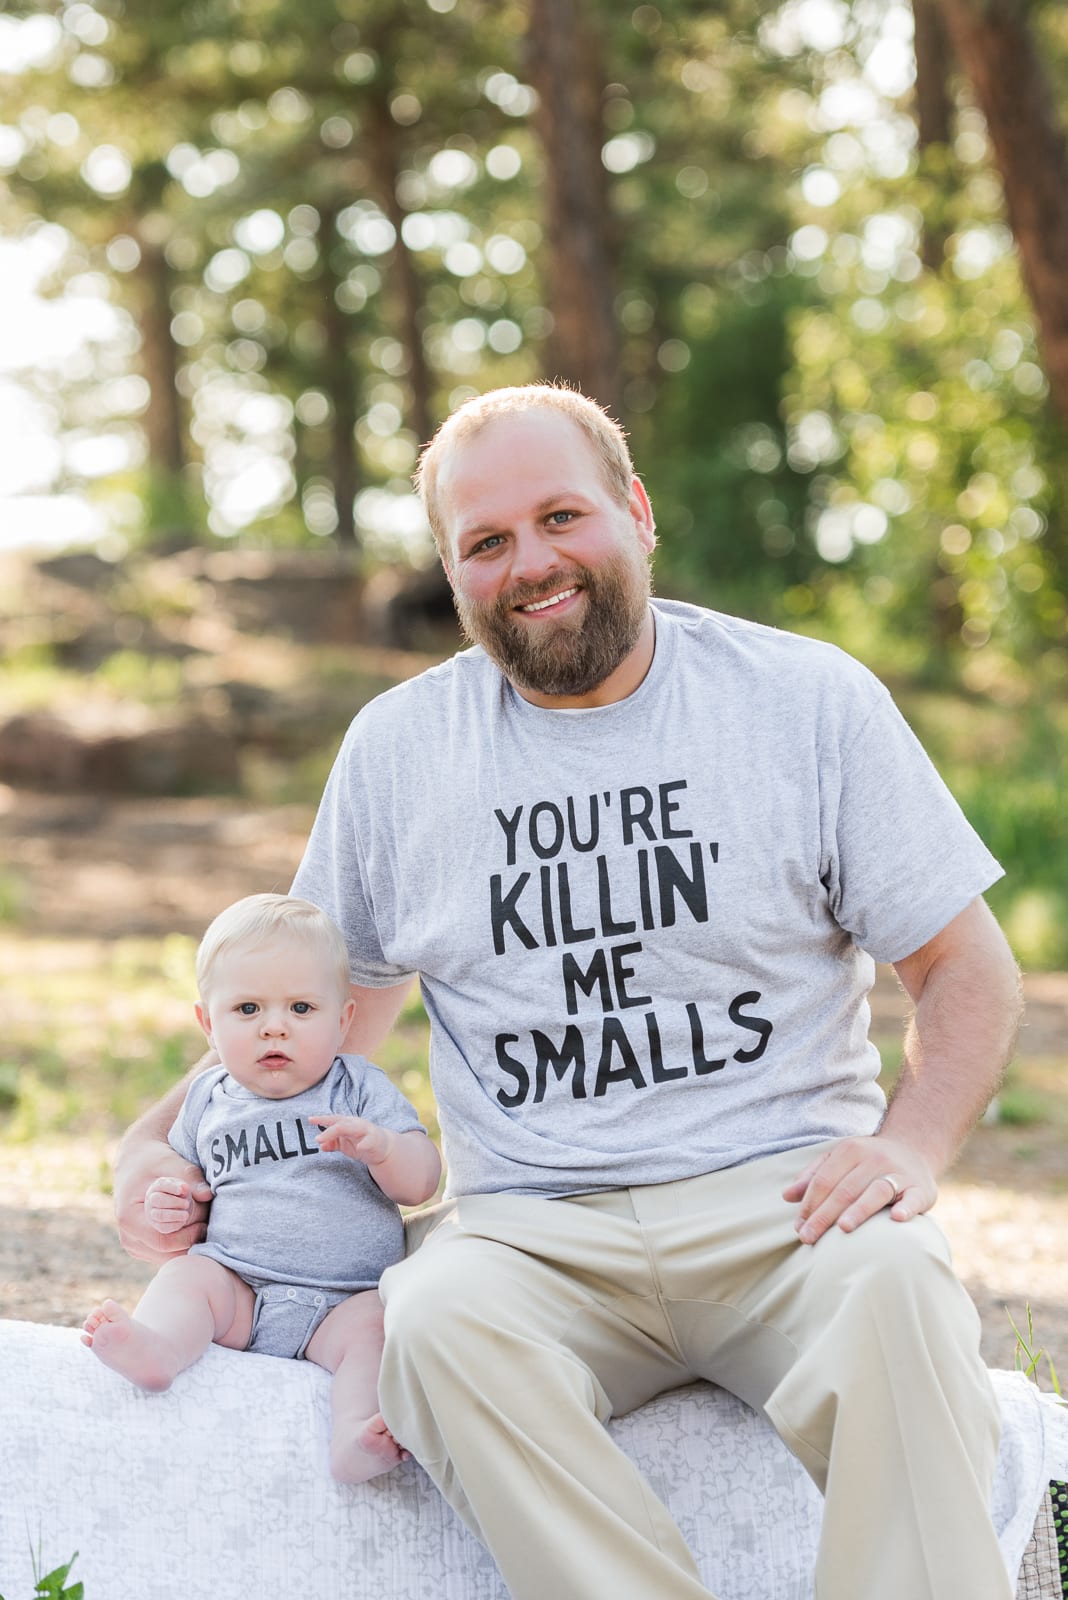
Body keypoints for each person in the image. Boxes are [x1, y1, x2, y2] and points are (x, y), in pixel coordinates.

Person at [114, 385, 1021, 1600]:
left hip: (785, 1200)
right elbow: (311, 1021)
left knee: (905, 1290)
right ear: (451, 570)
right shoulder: (400, 751)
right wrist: (152, 1144)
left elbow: (965, 962)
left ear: (637, 513)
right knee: (431, 1323)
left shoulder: (805, 701)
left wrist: (911, 1145)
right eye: (486, 542)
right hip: (530, 1225)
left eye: (561, 517)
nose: (531, 564)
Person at [87, 892, 440, 1484]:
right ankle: (158, 1348)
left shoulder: (358, 1089)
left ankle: (356, 1437)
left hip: (343, 1300)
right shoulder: (206, 1099)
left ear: (344, 1018)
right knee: (188, 1277)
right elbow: (185, 1187)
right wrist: (168, 1203)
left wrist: (383, 1148)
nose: (274, 1026)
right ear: (207, 1023)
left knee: (383, 1326)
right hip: (241, 1288)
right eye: (247, 1009)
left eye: (302, 1008)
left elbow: (424, 1181)